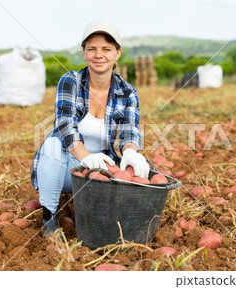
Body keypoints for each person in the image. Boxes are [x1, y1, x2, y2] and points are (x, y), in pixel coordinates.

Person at [31, 20, 149, 237]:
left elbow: (130, 131)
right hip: (64, 167)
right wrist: (85, 157)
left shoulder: (127, 92)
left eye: (106, 49)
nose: (99, 54)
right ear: (83, 53)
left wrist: (131, 151)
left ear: (117, 53)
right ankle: (49, 216)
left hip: (100, 168)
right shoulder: (71, 81)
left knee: (138, 169)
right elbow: (65, 124)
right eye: (92, 49)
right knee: (52, 145)